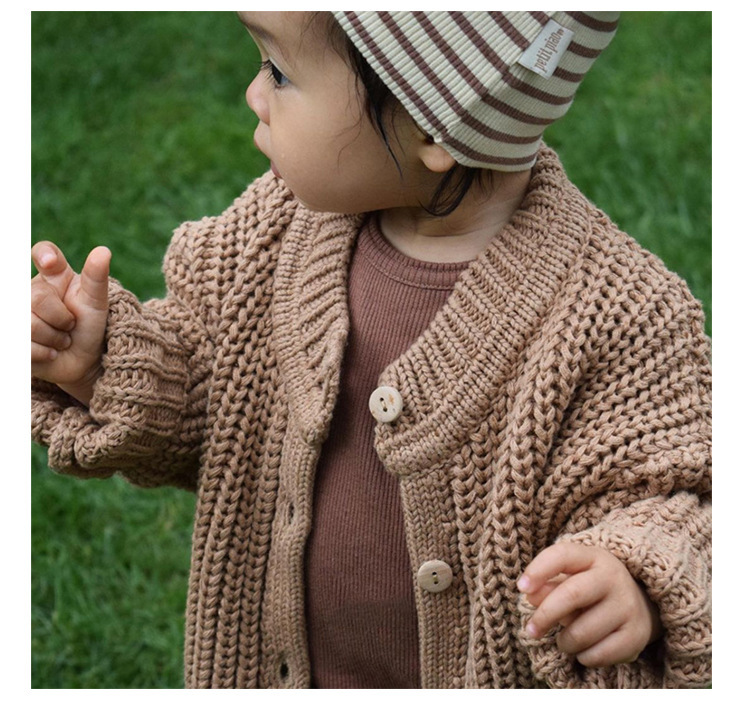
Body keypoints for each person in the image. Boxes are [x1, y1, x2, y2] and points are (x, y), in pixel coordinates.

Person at [31, 11, 711, 689]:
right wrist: (104, 366)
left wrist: (634, 576)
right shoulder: (272, 238)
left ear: (433, 124)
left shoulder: (621, 316)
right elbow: (208, 403)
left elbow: (684, 497)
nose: (253, 94)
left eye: (280, 72)